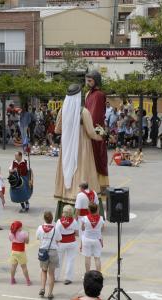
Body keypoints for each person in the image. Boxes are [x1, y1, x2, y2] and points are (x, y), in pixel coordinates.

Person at [54, 84, 103, 220]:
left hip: (68, 147)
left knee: (68, 170)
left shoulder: (63, 110)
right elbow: (92, 133)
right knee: (83, 171)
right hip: (82, 148)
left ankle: (66, 205)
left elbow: (57, 130)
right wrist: (102, 136)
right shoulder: (83, 112)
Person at [85, 71, 109, 194]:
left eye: (90, 81)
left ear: (96, 80)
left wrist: (94, 131)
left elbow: (97, 115)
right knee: (91, 158)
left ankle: (102, 186)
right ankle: (92, 186)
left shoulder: (99, 95)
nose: (88, 83)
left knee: (99, 157)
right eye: (87, 80)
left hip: (96, 130)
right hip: (89, 129)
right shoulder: (88, 94)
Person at [36, 211, 62, 300]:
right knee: (51, 273)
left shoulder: (40, 228)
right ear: (52, 219)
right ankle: (50, 293)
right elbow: (59, 239)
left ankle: (42, 288)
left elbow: (37, 237)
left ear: (44, 218)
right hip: (53, 251)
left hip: (43, 251)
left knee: (43, 271)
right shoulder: (56, 229)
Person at [55, 205, 79, 285]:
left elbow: (56, 233)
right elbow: (76, 233)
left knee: (59, 260)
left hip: (61, 242)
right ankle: (68, 278)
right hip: (72, 242)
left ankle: (55, 276)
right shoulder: (74, 222)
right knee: (70, 260)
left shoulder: (59, 222)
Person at [82, 203, 104, 272]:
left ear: (89, 210)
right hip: (97, 239)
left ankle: (87, 273)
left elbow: (82, 228)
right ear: (97, 210)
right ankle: (99, 274)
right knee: (97, 258)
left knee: (87, 257)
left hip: (87, 239)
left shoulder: (85, 218)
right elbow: (102, 229)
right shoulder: (101, 218)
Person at [8, 221, 31, 285]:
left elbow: (10, 240)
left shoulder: (11, 233)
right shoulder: (23, 233)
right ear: (19, 227)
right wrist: (28, 235)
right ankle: (27, 280)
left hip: (13, 251)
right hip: (21, 252)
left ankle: (12, 279)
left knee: (13, 266)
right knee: (24, 267)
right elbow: (27, 242)